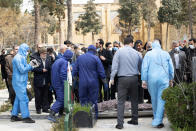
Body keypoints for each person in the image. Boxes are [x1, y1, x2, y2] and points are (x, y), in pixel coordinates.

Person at [110, 37, 142, 129]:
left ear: (124, 43)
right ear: (131, 43)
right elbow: (141, 67)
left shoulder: (119, 52)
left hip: (123, 79)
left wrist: (112, 78)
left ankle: (120, 123)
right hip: (134, 78)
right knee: (134, 100)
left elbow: (115, 67)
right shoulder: (137, 53)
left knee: (121, 101)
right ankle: (135, 120)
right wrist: (143, 79)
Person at [141, 40, 174, 128]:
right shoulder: (166, 54)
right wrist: (171, 79)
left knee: (154, 99)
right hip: (163, 79)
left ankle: (157, 118)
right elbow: (171, 67)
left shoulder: (148, 54)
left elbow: (144, 67)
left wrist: (144, 80)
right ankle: (158, 120)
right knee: (161, 99)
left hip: (151, 79)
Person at [72, 45, 106, 119]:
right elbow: (101, 72)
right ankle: (94, 117)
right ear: (94, 51)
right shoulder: (96, 58)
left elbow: (74, 71)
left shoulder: (80, 58)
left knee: (83, 100)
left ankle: (84, 117)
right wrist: (104, 81)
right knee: (93, 100)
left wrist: (75, 78)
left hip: (82, 82)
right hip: (93, 82)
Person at [11, 43, 40, 123]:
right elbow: (22, 70)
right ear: (23, 50)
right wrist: (31, 66)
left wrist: (30, 65)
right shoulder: (18, 58)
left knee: (18, 99)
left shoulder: (21, 57)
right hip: (18, 81)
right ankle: (25, 117)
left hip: (21, 81)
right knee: (24, 99)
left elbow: (24, 68)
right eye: (27, 50)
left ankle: (14, 116)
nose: (28, 52)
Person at [48, 50, 73, 122]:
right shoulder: (64, 62)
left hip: (55, 83)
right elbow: (63, 74)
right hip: (60, 84)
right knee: (61, 99)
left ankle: (60, 114)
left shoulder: (58, 60)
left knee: (61, 98)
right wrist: (65, 84)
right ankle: (51, 114)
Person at [32, 47, 52, 114]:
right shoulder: (35, 60)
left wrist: (49, 81)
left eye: (45, 54)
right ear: (40, 54)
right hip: (38, 80)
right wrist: (41, 70)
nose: (44, 55)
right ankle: (38, 109)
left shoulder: (48, 59)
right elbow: (32, 69)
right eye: (43, 54)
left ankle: (45, 108)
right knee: (38, 96)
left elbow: (50, 70)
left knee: (45, 95)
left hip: (46, 80)